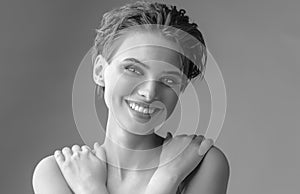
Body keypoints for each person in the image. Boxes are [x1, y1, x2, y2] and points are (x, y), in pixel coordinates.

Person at [32, 1, 230, 194]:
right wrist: (166, 179)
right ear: (100, 71)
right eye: (133, 69)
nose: (149, 92)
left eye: (168, 80)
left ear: (181, 87)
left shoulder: (201, 163)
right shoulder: (57, 172)